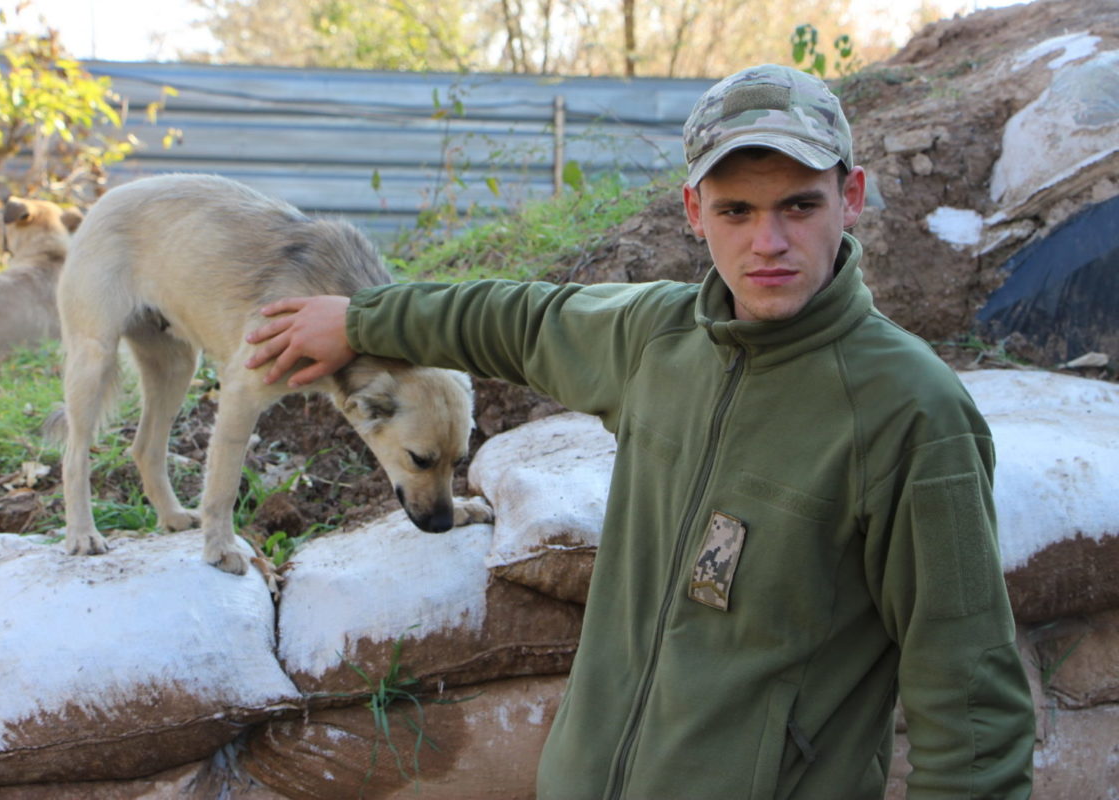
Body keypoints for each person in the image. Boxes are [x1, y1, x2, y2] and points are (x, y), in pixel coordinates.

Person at [245, 64, 1035, 799]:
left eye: (799, 205)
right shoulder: (657, 340)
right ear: (694, 211)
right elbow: (519, 321)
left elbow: (969, 707)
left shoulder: (911, 412)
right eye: (736, 210)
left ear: (850, 197)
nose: (768, 242)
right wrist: (363, 320)